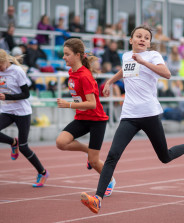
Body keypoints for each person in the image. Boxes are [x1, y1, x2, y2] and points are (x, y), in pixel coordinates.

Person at [79, 25, 184, 214]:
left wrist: (143, 62)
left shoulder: (153, 56)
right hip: (129, 115)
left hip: (149, 113)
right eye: (138, 36)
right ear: (131, 40)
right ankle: (98, 198)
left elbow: (167, 74)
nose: (142, 39)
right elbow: (125, 70)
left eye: (146, 37)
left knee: (165, 157)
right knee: (112, 155)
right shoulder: (127, 56)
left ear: (150, 43)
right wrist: (110, 81)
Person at [55, 38, 116, 197]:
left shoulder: (85, 76)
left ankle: (109, 180)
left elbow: (92, 104)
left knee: (95, 161)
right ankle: (88, 152)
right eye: (64, 54)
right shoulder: (71, 72)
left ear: (77, 55)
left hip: (97, 120)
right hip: (82, 118)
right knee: (61, 142)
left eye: (67, 54)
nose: (64, 57)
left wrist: (68, 105)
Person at [0, 49, 49, 187]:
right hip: (7, 110)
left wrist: (7, 97)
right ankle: (12, 142)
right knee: (17, 144)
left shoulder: (17, 71)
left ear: (5, 61)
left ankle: (42, 172)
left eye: (0, 66)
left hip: (22, 112)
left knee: (23, 147)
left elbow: (26, 94)